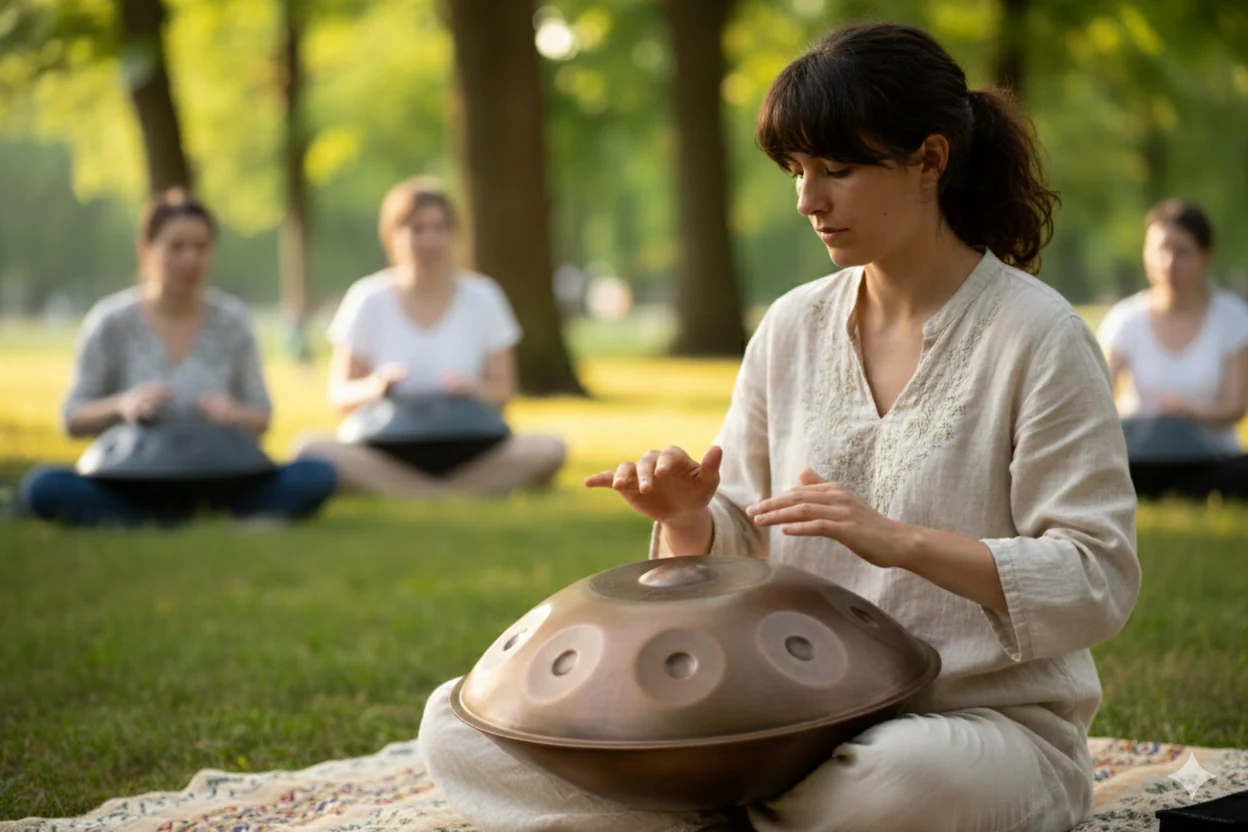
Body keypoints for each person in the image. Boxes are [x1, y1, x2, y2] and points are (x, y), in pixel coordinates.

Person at [418, 22, 1140, 832]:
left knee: (894, 786)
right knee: (459, 725)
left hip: (964, 733)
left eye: (837, 170)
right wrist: (690, 519)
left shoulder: (1038, 336)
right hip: (783, 727)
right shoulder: (792, 327)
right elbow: (747, 547)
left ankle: (688, 815)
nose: (807, 200)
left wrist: (901, 541)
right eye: (797, 171)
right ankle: (743, 812)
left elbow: (1096, 578)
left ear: (930, 161)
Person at [18, 189, 337, 527]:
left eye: (201, 247)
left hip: (223, 477)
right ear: (146, 250)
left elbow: (262, 416)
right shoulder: (111, 321)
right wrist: (122, 404)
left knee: (316, 474)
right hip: (134, 481)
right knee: (44, 485)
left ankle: (149, 523)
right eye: (176, 247)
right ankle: (216, 521)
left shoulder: (233, 321)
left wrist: (233, 413)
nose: (190, 259)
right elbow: (73, 417)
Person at [292, 177, 566, 497]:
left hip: (469, 444)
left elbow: (504, 391)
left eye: (439, 228)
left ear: (454, 235)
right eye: (417, 229)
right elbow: (340, 395)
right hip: (386, 444)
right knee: (309, 447)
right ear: (391, 237)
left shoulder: (484, 296)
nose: (430, 240)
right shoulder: (368, 298)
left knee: (549, 447)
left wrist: (472, 388)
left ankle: (417, 493)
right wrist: (377, 385)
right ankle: (446, 494)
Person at [1097, 199, 1248, 500]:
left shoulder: (1233, 318)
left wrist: (1190, 412)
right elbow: (1099, 400)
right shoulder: (1125, 319)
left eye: (1182, 252)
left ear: (1205, 256)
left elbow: (1235, 407)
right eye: (1160, 250)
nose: (1168, 263)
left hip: (1210, 455)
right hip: (1140, 453)